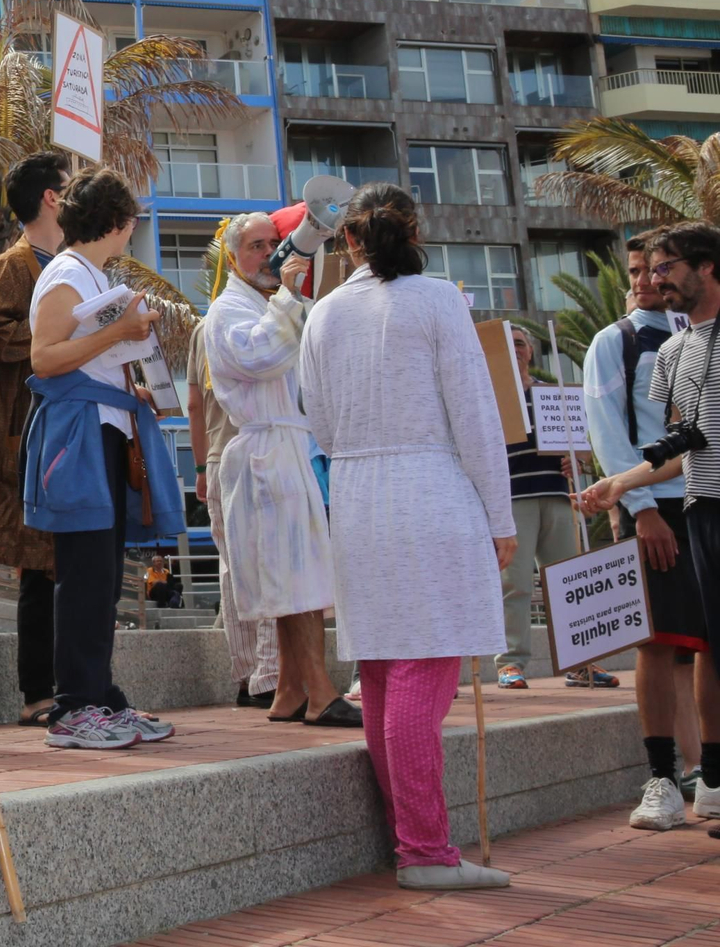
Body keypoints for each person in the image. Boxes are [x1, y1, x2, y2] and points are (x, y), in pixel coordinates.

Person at [297, 183, 513, 890]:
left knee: (386, 674)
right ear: (413, 229)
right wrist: (499, 516)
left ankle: (414, 840)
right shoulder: (438, 299)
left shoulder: (322, 314)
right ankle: (424, 849)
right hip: (430, 489)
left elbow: (320, 428)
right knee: (422, 667)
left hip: (357, 498)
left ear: (348, 239)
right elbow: (477, 416)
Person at [22, 167, 185, 749]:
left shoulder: (85, 272)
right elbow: (44, 358)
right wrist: (119, 336)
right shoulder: (68, 272)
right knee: (87, 571)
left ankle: (99, 695)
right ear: (122, 224)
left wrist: (129, 387)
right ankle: (75, 706)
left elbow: (73, 356)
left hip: (103, 425)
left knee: (103, 571)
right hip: (81, 432)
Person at [580, 221, 720, 833]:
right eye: (642, 270)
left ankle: (709, 775)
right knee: (666, 643)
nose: (649, 280)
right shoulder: (644, 347)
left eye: (661, 268)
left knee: (708, 647)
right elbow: (666, 437)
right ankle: (678, 776)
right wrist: (627, 495)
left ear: (705, 267)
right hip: (679, 511)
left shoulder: (689, 340)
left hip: (694, 508)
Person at [203, 213, 356, 727]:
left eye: (273, 243)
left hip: (288, 446)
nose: (267, 254)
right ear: (232, 256)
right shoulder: (227, 311)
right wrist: (290, 297)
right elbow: (262, 358)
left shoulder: (269, 304)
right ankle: (319, 691)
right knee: (299, 577)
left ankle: (290, 690)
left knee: (299, 575)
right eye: (254, 246)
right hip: (265, 449)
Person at [0, 151, 69, 724]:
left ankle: (69, 684)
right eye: (70, 185)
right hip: (27, 436)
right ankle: (38, 693)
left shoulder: (76, 264)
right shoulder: (12, 265)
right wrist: (58, 328)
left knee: (65, 565)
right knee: (37, 568)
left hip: (67, 433)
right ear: (52, 197)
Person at [187, 312, 280, 710]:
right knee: (270, 564)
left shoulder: (203, 328)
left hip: (217, 457)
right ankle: (269, 673)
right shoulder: (271, 321)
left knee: (231, 567)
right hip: (263, 453)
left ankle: (246, 675)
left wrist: (199, 465)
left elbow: (193, 405)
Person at [492, 327, 586, 690]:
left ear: (530, 351)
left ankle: (581, 662)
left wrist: (577, 462)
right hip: (513, 501)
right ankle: (510, 664)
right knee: (513, 584)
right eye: (506, 345)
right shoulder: (490, 399)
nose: (513, 350)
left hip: (557, 495)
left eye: (518, 343)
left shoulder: (554, 396)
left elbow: (581, 452)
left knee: (569, 582)